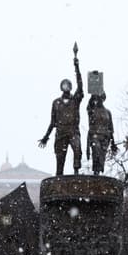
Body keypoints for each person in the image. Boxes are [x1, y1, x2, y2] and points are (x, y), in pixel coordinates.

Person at [39, 45, 85, 176]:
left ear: (70, 87)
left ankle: (76, 172)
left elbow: (81, 86)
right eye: (64, 85)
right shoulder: (56, 103)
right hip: (60, 133)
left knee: (77, 150)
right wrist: (45, 137)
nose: (66, 87)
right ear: (61, 87)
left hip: (73, 131)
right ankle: (59, 177)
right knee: (60, 159)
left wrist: (77, 67)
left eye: (68, 85)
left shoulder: (75, 100)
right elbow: (52, 122)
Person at [86, 92, 116, 175]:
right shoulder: (92, 110)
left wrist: (113, 143)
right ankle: (95, 171)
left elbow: (111, 128)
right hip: (95, 136)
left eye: (101, 98)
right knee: (96, 151)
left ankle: (98, 173)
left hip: (105, 138)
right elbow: (90, 104)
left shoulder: (108, 112)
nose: (100, 100)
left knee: (102, 157)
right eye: (98, 98)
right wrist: (94, 91)